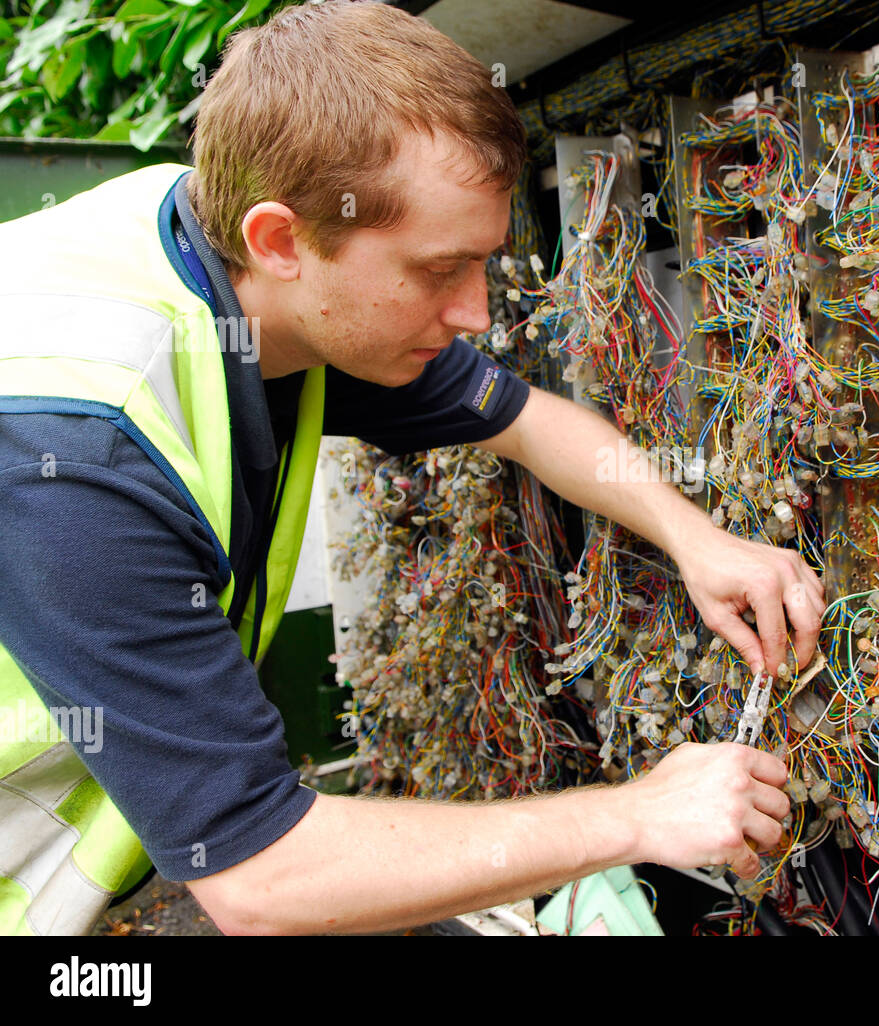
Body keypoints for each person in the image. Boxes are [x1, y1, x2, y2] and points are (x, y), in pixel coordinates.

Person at [0, 0, 824, 935]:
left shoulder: (236, 261)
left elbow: (522, 419)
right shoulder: (71, 449)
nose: (476, 312)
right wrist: (640, 814)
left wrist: (699, 539)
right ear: (282, 241)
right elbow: (262, 882)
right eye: (440, 271)